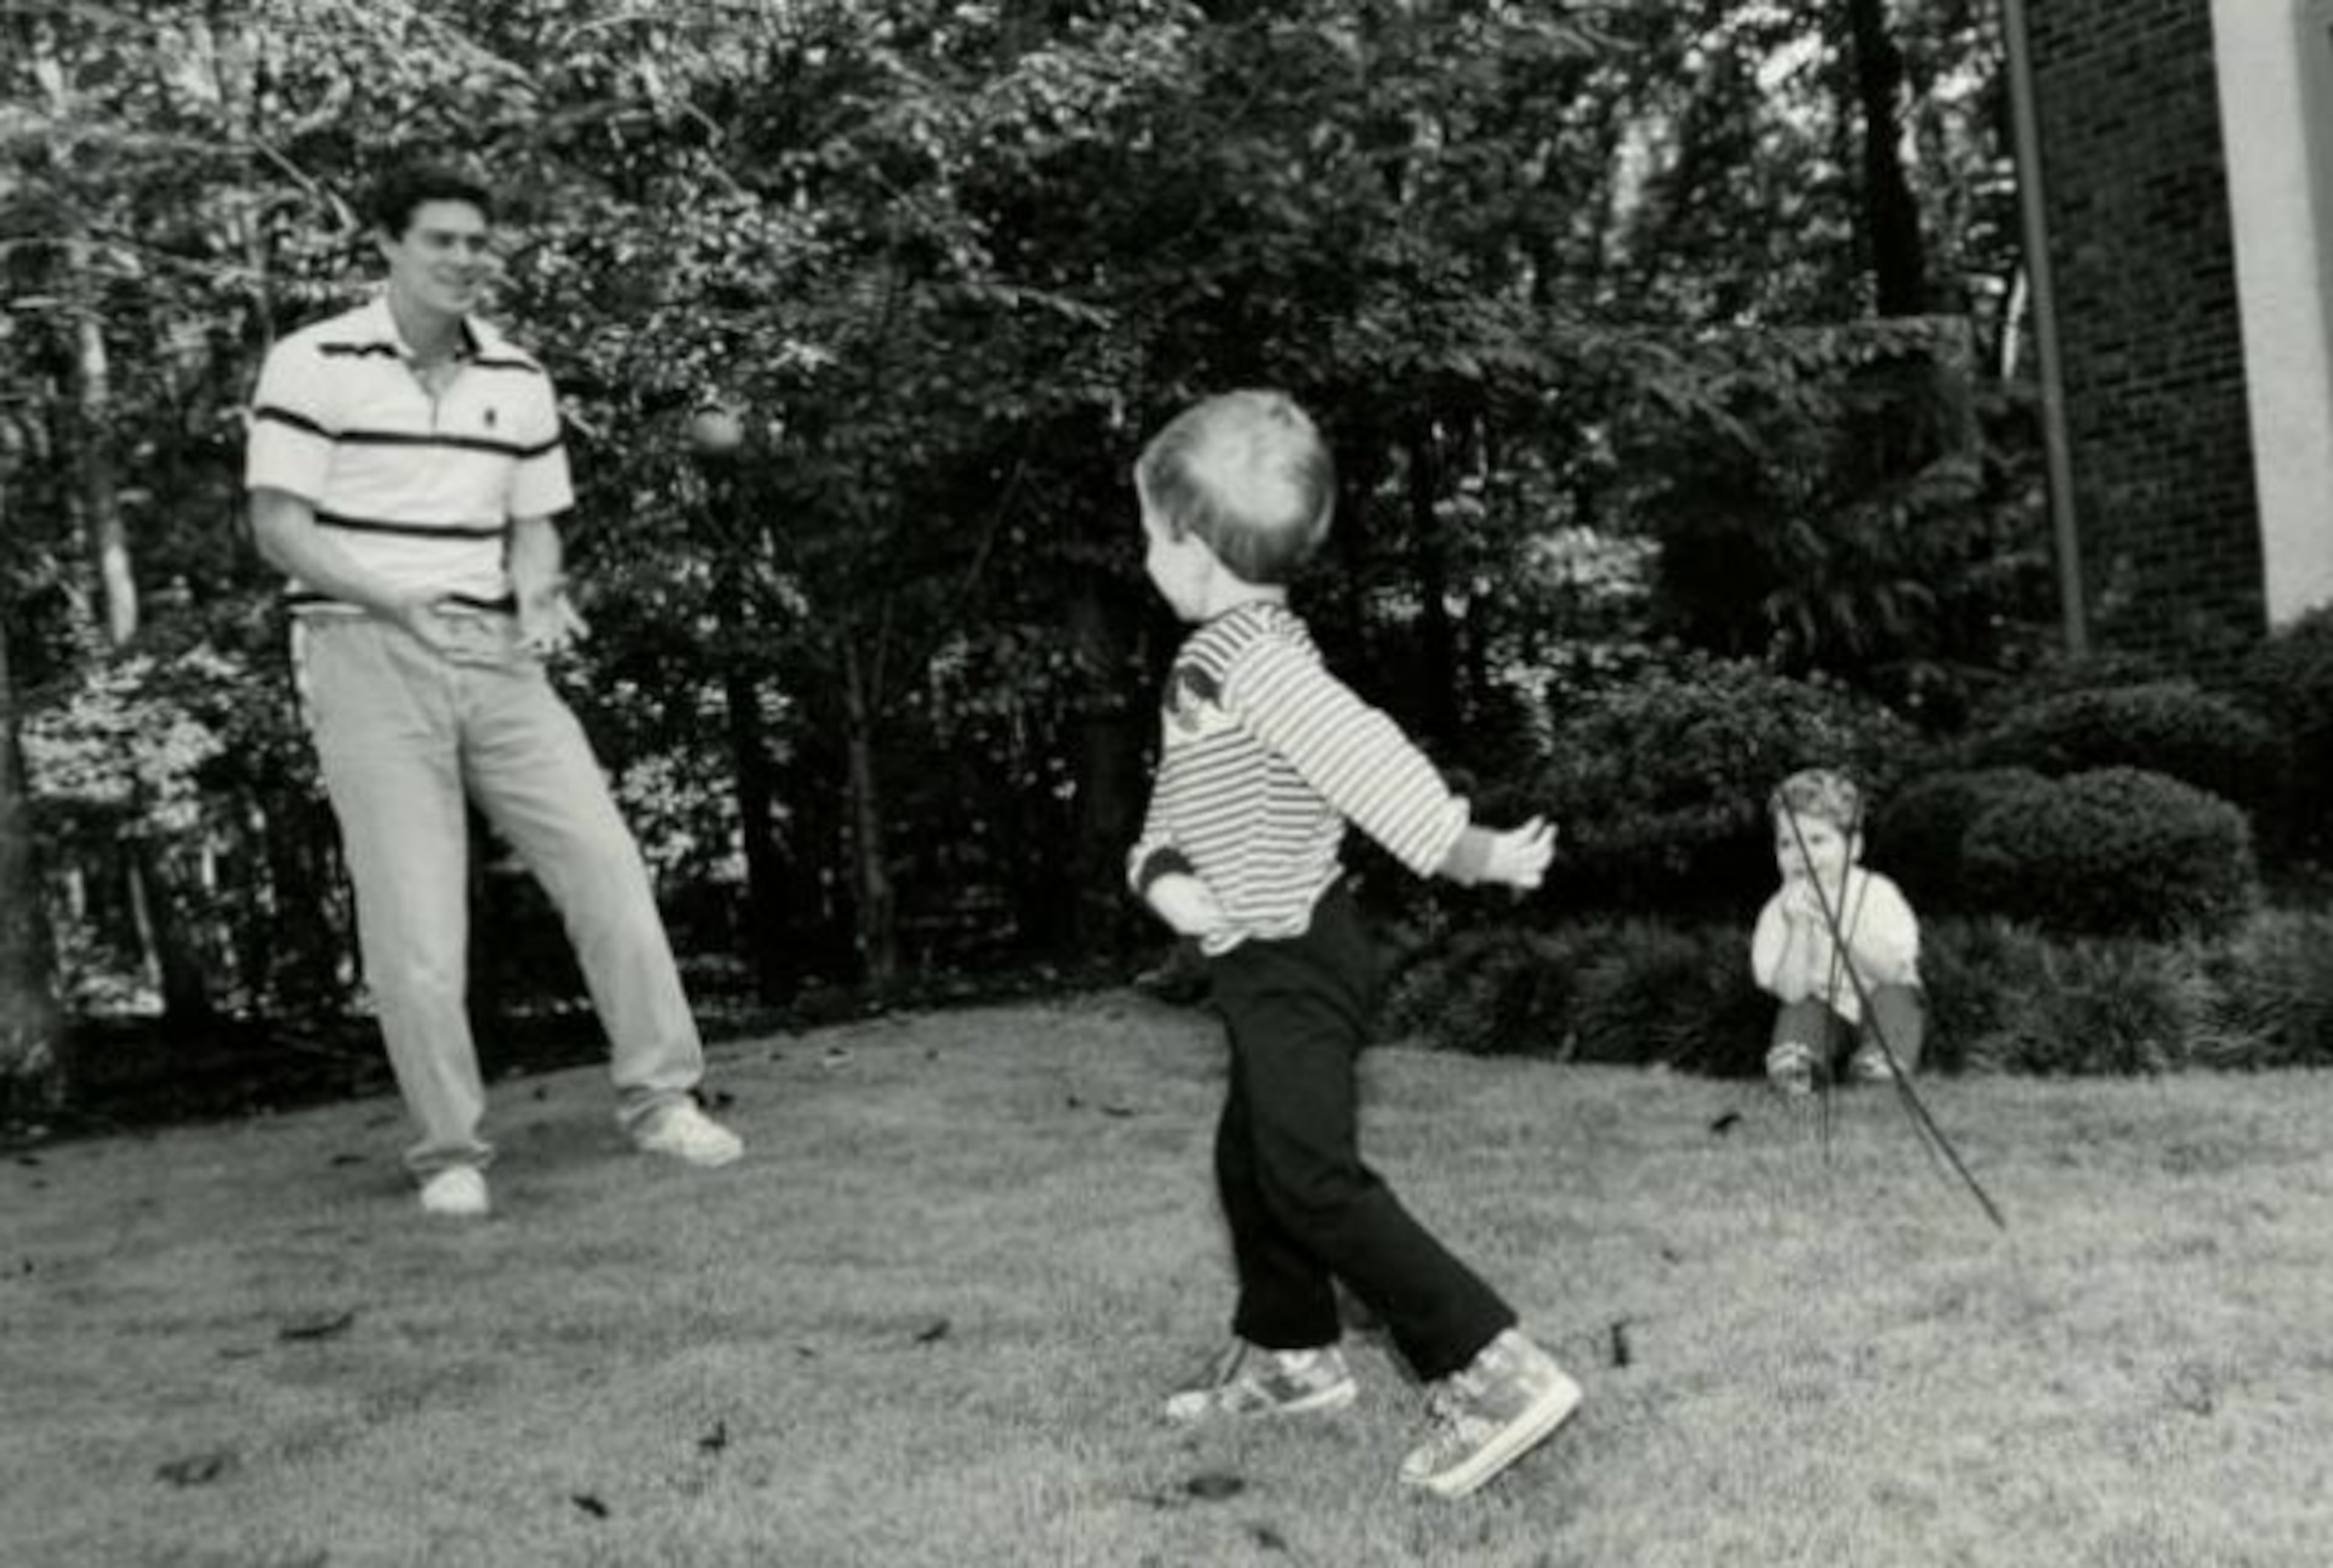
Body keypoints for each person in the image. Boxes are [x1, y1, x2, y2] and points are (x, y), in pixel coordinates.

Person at [244, 165, 742, 1218]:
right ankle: (450, 1152)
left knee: (609, 871)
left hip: (500, 659)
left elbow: (534, 521)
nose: (465, 258)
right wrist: (396, 601)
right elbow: (280, 527)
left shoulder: (516, 377)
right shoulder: (313, 362)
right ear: (387, 243)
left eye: (478, 242)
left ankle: (662, 1102)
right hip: (362, 652)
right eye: (442, 240)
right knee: (418, 927)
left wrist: (541, 588)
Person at [1126, 390, 1580, 1501]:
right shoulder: (1219, 661)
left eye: (1148, 533)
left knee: (1311, 1178)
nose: (1144, 555)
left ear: (1190, 550)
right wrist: (1162, 876)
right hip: (1259, 953)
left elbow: (1363, 756)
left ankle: (1491, 1365)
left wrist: (1464, 848)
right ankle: (1292, 1359)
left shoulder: (1259, 666)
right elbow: (1179, 807)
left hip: (1298, 955)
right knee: (1253, 1161)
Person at [1752, 768, 1925, 1095]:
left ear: (1854, 846)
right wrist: (1799, 926)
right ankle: (1798, 1064)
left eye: (1818, 840)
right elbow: (1790, 992)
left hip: (1880, 1002)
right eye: (1788, 844)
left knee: (1899, 999)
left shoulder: (1878, 893)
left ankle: (1881, 1062)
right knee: (1803, 1010)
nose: (1802, 855)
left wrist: (1840, 922)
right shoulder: (1779, 910)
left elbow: (1890, 970)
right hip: (1825, 1011)